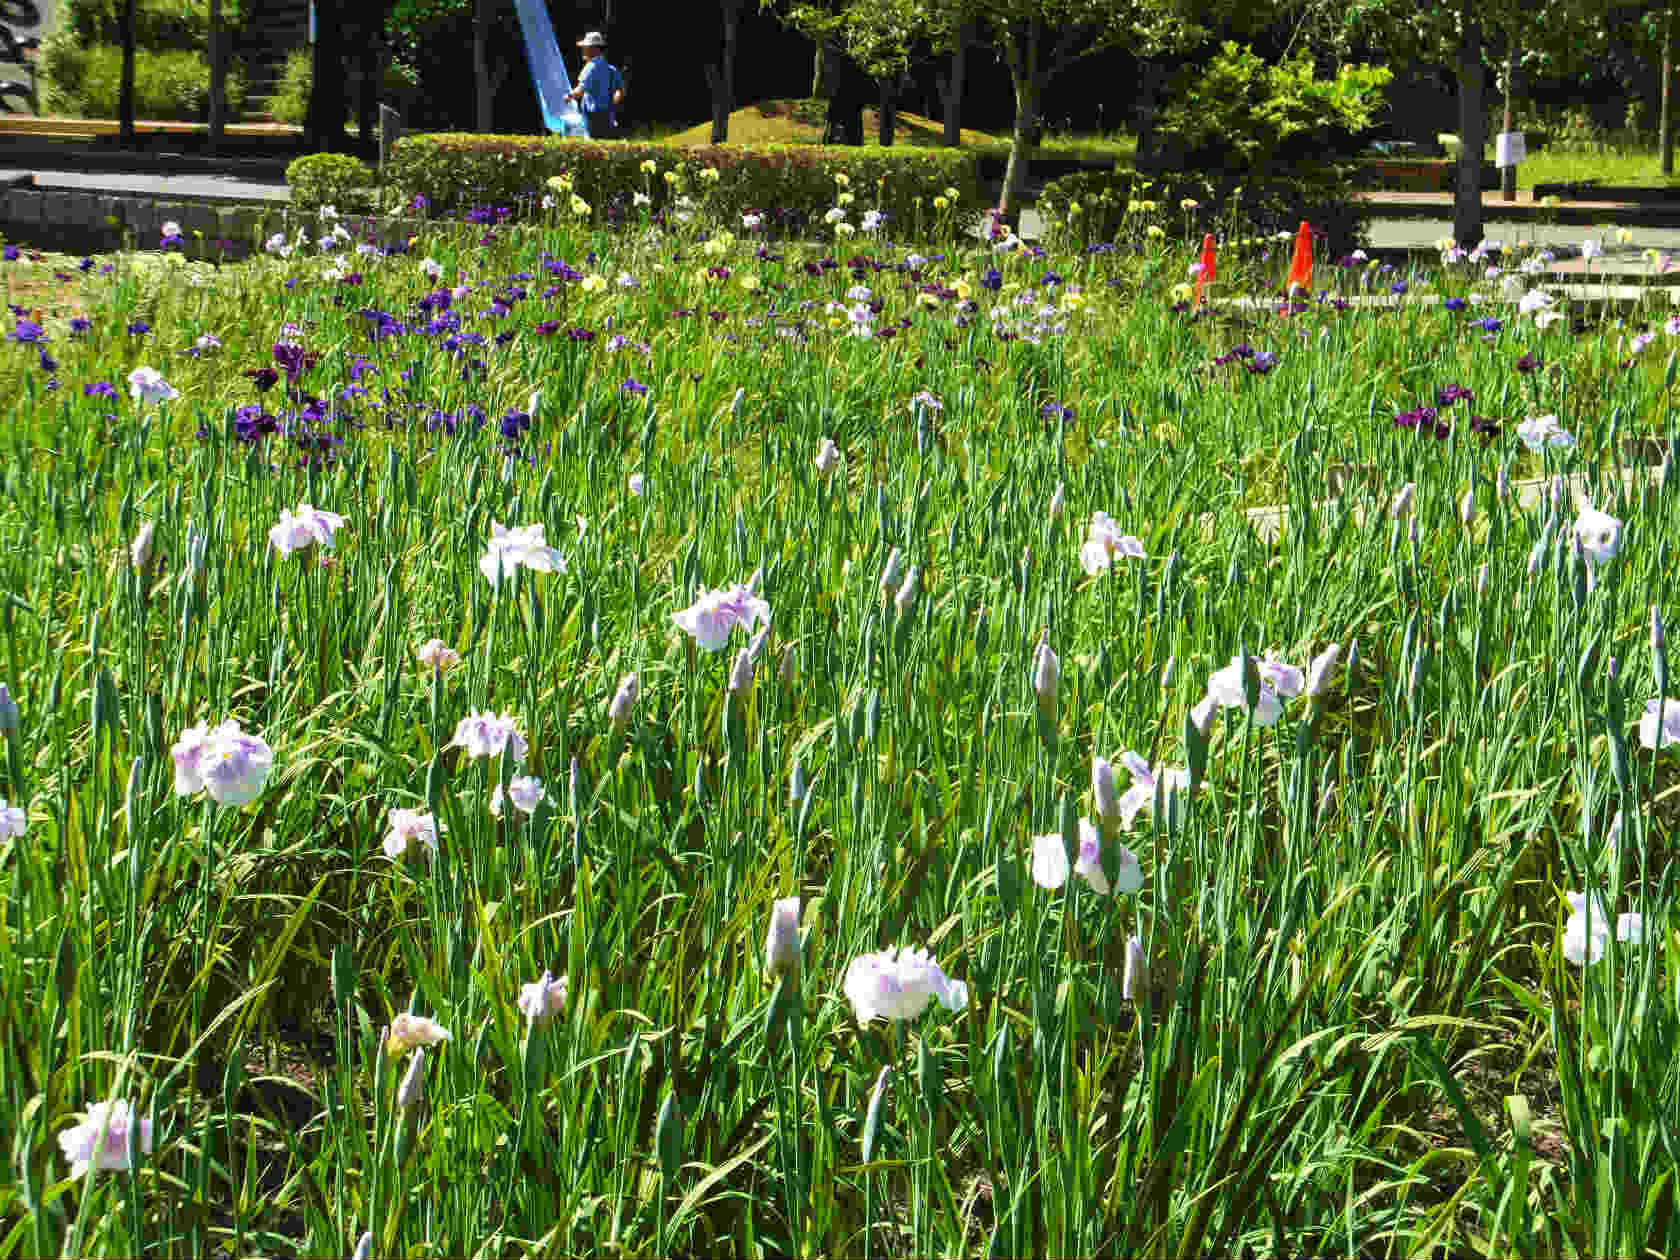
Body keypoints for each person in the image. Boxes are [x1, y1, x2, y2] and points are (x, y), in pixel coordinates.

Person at [568, 31, 624, 140]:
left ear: (594, 49)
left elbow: (580, 90)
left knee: (593, 144)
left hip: (593, 115)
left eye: (585, 47)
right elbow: (620, 91)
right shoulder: (611, 69)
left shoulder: (590, 67)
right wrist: (612, 104)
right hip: (607, 115)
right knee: (607, 144)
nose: (583, 50)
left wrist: (568, 96)